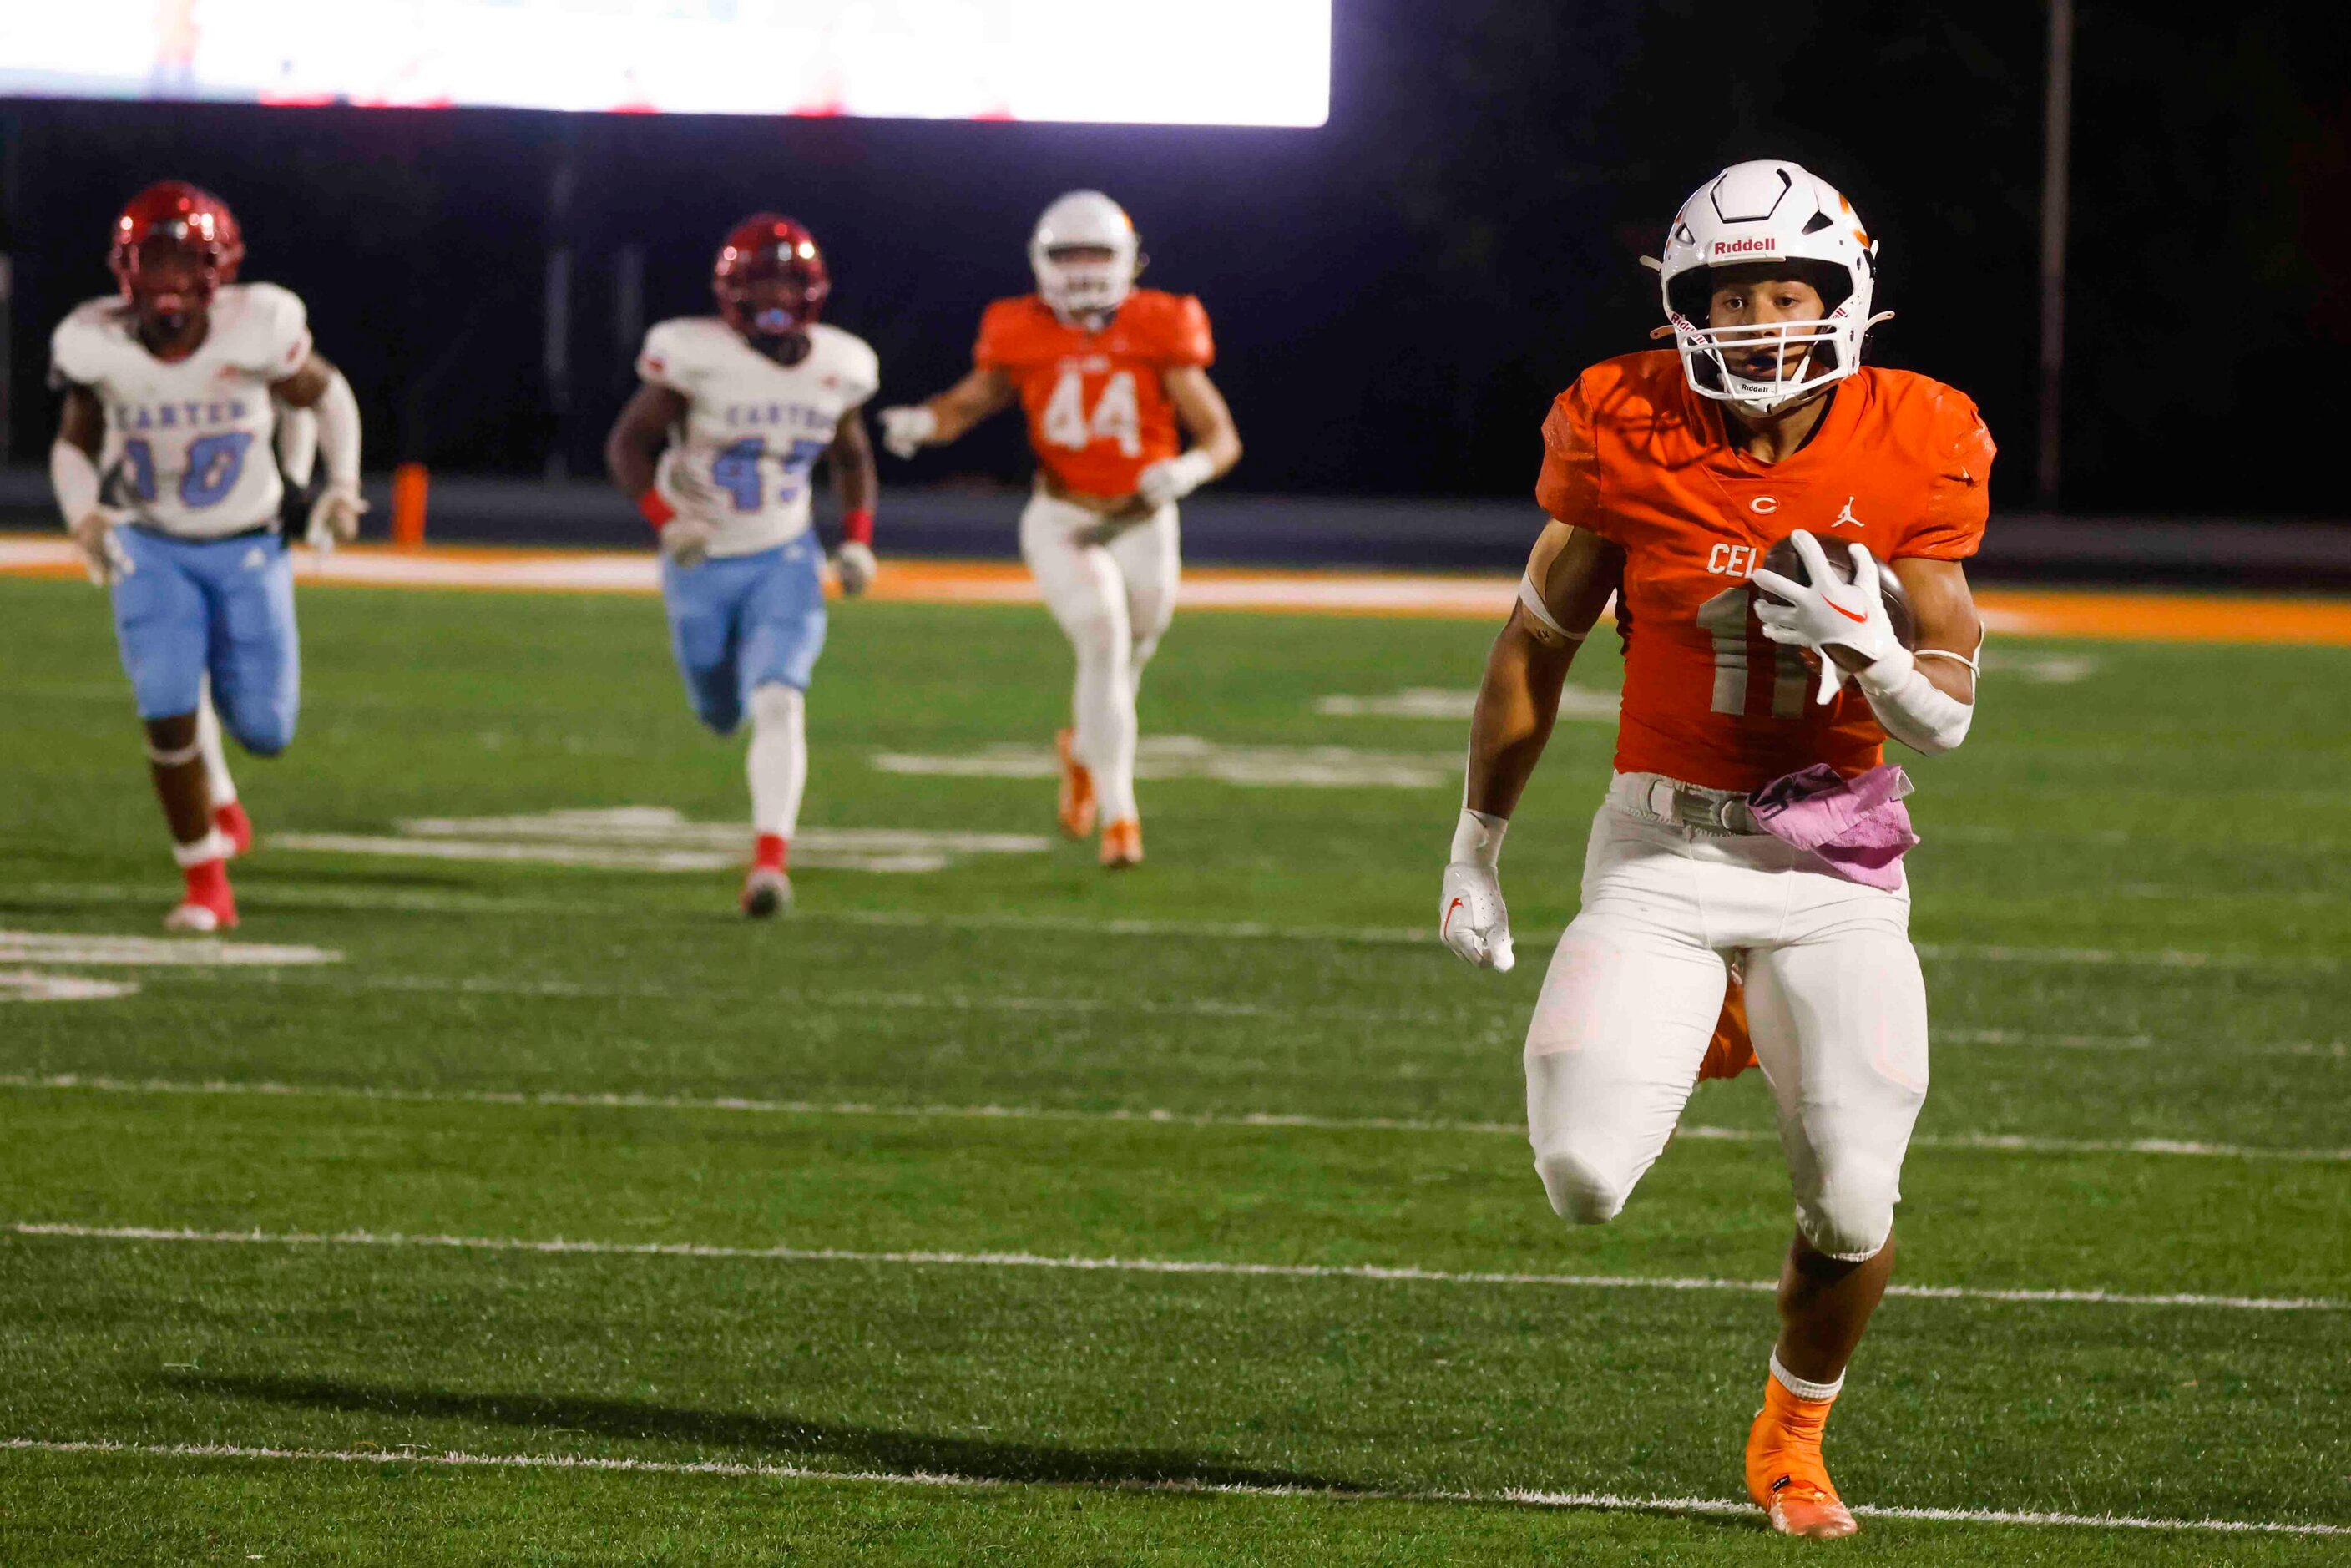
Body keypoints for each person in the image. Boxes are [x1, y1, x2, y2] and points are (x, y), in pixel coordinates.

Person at [1440, 160, 1995, 1539]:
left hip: (1835, 862)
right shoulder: (1619, 421)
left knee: (1856, 1194)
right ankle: (1721, 1002)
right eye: (1729, 294)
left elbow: (1947, 718)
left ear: (1843, 299)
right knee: (1579, 1176)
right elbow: (1536, 639)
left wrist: (1874, 656)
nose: (1756, 321)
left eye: (1785, 292)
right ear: (1683, 306)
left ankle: (1792, 1431)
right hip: (1660, 844)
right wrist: (1475, 838)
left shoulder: (1914, 432)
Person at [876, 190, 1241, 867]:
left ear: (1129, 261)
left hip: (1144, 518)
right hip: (1063, 516)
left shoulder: (1162, 324)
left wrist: (1187, 471)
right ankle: (1120, 817)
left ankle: (1081, 751)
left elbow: (1220, 437)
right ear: (1040, 262)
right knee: (1102, 641)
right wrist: (927, 423)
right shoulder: (1020, 328)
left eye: (1095, 253)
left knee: (1130, 657)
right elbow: (971, 401)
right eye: (1067, 254)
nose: (1081, 269)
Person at [50, 180, 366, 932]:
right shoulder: (97, 342)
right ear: (124, 270)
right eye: (152, 264)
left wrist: (340, 485)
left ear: (216, 270)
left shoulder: (256, 325)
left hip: (248, 544)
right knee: (164, 707)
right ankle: (204, 884)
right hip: (149, 540)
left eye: (182, 263)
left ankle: (221, 785)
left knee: (266, 727)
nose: (167, 284)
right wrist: (84, 515)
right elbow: (75, 444)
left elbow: (327, 395)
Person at [604, 214, 880, 917]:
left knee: (781, 701)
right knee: (720, 711)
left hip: (785, 556)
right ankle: (757, 821)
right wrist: (669, 524)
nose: (773, 298)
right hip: (701, 562)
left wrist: (856, 539)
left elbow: (851, 456)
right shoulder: (693, 353)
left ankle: (768, 863)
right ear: (731, 292)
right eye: (758, 284)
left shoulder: (838, 365)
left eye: (787, 282)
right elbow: (627, 445)